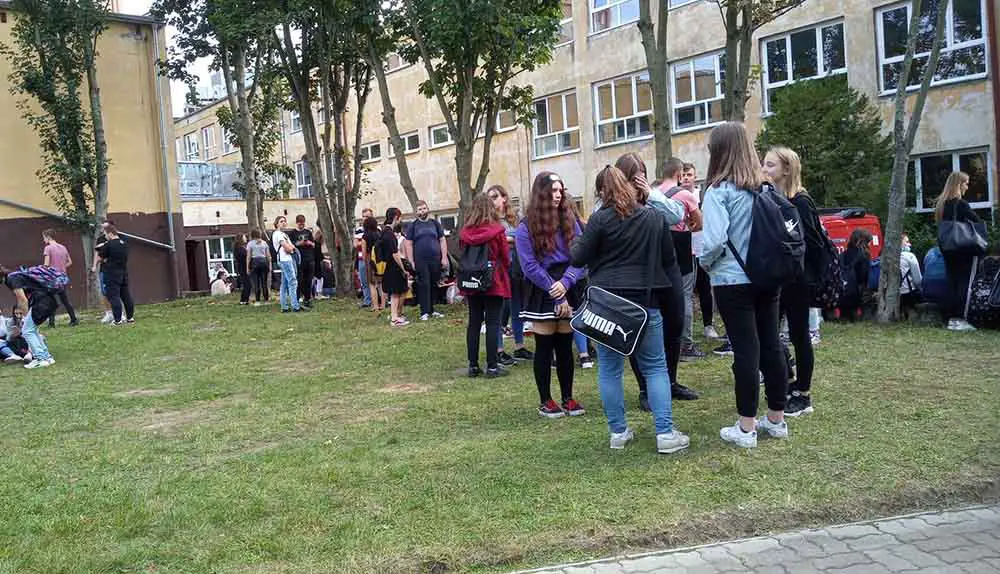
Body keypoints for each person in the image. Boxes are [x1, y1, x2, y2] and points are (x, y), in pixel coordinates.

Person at [571, 166, 690, 454]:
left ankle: (618, 432)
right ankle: (665, 433)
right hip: (646, 303)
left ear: (601, 192)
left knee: (610, 369)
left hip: (607, 306)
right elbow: (668, 260)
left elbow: (577, 258)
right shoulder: (653, 217)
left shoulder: (599, 219)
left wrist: (577, 240)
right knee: (655, 367)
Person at [699, 121, 789, 448]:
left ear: (718, 152)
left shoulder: (719, 192)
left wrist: (704, 264)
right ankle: (776, 419)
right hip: (768, 276)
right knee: (771, 344)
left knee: (746, 350)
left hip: (731, 280)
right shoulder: (766, 189)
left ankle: (746, 427)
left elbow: (713, 241)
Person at [615, 153, 701, 403]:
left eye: (642, 175)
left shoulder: (653, 198)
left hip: (667, 267)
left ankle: (669, 382)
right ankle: (645, 388)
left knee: (674, 324)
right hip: (637, 273)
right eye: (633, 177)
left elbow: (676, 216)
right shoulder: (615, 204)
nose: (638, 181)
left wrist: (651, 194)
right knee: (638, 328)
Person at [516, 171, 585, 418]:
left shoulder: (571, 220)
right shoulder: (526, 227)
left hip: (567, 283)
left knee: (565, 345)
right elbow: (529, 266)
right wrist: (556, 293)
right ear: (542, 193)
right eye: (553, 190)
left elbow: (581, 257)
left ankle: (568, 397)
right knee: (544, 346)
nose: (558, 195)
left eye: (560, 190)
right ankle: (546, 400)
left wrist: (567, 282)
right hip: (542, 287)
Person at [763, 146, 824, 417]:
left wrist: (807, 277)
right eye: (764, 164)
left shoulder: (800, 201)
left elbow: (813, 243)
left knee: (799, 335)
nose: (764, 169)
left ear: (787, 169)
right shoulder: (771, 198)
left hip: (798, 280)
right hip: (778, 278)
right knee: (769, 333)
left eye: (771, 165)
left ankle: (803, 394)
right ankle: (786, 379)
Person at [460, 193, 512, 378]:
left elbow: (462, 253)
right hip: (493, 280)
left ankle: (473, 365)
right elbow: (505, 257)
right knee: (493, 323)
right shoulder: (497, 231)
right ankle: (492, 366)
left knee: (474, 323)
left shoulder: (465, 233)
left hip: (471, 280)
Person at [659, 159, 705, 362]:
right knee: (685, 295)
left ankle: (665, 341)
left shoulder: (653, 194)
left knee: (664, 295)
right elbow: (699, 222)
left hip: (661, 248)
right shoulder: (685, 195)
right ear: (679, 175)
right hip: (682, 246)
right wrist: (686, 226)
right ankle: (685, 344)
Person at [486, 185, 527, 365]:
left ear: (504, 198)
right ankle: (499, 350)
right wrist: (512, 239)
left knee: (517, 307)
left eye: (495, 196)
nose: (492, 200)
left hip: (516, 267)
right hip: (499, 269)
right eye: (490, 197)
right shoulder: (488, 220)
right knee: (499, 309)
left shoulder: (514, 218)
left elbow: (524, 237)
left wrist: (508, 239)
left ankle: (519, 346)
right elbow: (494, 240)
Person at [936, 171, 981, 332]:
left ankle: (951, 319)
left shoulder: (942, 205)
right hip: (963, 249)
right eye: (966, 184)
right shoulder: (961, 204)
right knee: (964, 284)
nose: (967, 187)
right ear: (959, 185)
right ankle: (961, 318)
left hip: (948, 249)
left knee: (952, 283)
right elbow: (977, 221)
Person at [1, 267, 56, 369]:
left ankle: (41, 359)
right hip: (48, 301)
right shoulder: (15, 276)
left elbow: (22, 299)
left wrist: (25, 317)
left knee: (27, 331)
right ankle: (47, 357)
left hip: (42, 303)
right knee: (32, 330)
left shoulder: (11, 279)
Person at [405, 200, 449, 321]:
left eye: (424, 208)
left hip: (435, 259)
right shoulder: (413, 226)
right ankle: (424, 311)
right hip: (420, 260)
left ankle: (432, 309)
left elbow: (442, 240)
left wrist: (444, 257)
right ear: (416, 212)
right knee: (424, 284)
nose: (422, 211)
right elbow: (408, 244)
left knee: (433, 283)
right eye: (420, 209)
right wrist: (411, 261)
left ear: (428, 209)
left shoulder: (435, 224)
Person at [96, 224, 135, 325]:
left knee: (114, 297)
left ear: (110, 233)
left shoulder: (108, 244)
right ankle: (130, 318)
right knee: (126, 296)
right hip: (123, 272)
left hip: (111, 273)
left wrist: (104, 259)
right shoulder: (124, 243)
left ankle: (117, 320)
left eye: (105, 234)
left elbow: (100, 257)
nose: (105, 236)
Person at [380, 208, 410, 326]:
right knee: (396, 293)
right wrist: (403, 268)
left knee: (394, 293)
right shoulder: (390, 234)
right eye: (400, 218)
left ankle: (395, 315)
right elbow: (395, 253)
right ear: (396, 217)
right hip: (393, 266)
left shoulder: (384, 232)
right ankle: (394, 318)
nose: (400, 220)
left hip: (388, 265)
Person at [41, 229, 78, 327]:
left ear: (48, 237)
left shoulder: (48, 248)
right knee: (65, 300)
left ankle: (51, 323)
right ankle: (73, 319)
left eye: (44, 237)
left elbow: (46, 264)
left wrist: (43, 272)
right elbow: (69, 262)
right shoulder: (63, 247)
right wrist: (61, 267)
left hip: (52, 278)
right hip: (62, 277)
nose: (44, 240)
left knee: (50, 300)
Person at [839, 228, 872, 322]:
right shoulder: (864, 255)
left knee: (843, 318)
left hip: (842, 291)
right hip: (856, 292)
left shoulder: (843, 254)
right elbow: (863, 276)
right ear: (864, 241)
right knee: (855, 319)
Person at [272, 215, 302, 313]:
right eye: (281, 221)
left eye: (284, 221)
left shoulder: (284, 234)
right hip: (285, 260)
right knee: (293, 282)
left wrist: (291, 248)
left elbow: (292, 246)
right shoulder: (278, 234)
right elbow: (288, 248)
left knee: (284, 284)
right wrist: (291, 248)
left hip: (287, 259)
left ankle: (284, 306)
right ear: (276, 224)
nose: (283, 223)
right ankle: (295, 305)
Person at [288, 215, 317, 309]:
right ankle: (296, 299)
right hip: (299, 260)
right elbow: (291, 245)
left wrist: (309, 243)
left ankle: (307, 299)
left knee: (309, 280)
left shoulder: (308, 232)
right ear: (297, 223)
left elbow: (314, 244)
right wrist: (299, 243)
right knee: (299, 280)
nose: (301, 225)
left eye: (303, 224)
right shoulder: (292, 233)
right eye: (300, 224)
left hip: (309, 259)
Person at [92, 220, 117, 324]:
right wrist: (94, 265)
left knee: (116, 291)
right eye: (102, 227)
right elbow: (97, 253)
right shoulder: (100, 239)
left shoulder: (118, 238)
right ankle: (108, 313)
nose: (103, 229)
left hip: (115, 269)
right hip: (104, 269)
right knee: (104, 292)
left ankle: (120, 313)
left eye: (105, 227)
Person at [361, 216, 386, 313]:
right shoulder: (379, 234)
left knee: (372, 284)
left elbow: (364, 253)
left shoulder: (365, 236)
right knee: (381, 283)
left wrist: (365, 260)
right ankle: (383, 304)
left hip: (370, 261)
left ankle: (375, 306)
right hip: (381, 260)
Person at [900, 234, 923, 318]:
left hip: (892, 294)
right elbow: (918, 281)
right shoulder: (910, 256)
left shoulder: (888, 255)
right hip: (907, 294)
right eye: (907, 242)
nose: (909, 244)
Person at [356, 208, 375, 308]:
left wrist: (363, 240)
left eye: (367, 216)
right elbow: (355, 244)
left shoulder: (377, 228)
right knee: (364, 281)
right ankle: (367, 300)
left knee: (375, 280)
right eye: (363, 216)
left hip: (374, 258)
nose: (365, 218)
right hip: (361, 258)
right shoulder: (359, 229)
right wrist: (365, 241)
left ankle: (379, 300)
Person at [246, 229, 271, 305]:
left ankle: (257, 301)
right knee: (264, 282)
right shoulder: (264, 243)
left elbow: (248, 256)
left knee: (256, 282)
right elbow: (268, 255)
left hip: (254, 262)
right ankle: (266, 300)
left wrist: (247, 267)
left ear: (252, 235)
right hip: (264, 262)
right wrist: (270, 265)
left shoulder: (250, 244)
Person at [233, 233, 250, 305]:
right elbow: (244, 257)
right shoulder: (239, 249)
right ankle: (244, 300)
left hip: (243, 268)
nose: (245, 238)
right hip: (243, 268)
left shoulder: (241, 248)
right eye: (244, 237)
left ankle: (245, 300)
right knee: (247, 284)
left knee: (247, 284)